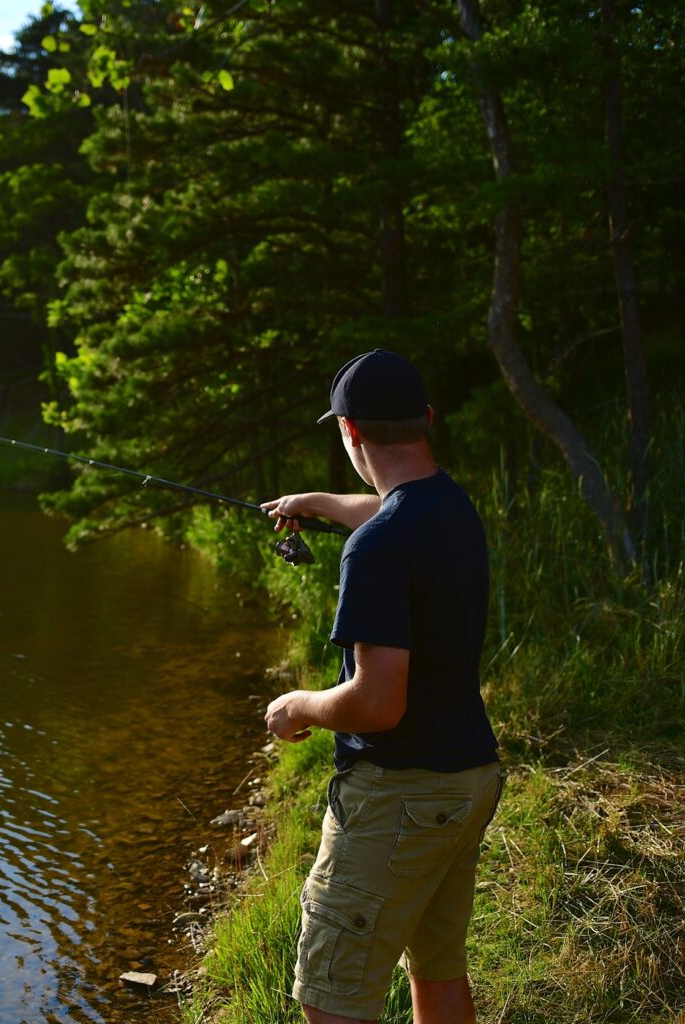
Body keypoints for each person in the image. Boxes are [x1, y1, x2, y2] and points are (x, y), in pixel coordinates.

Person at [259, 350, 502, 1024]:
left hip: (401, 796)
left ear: (350, 433)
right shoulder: (450, 507)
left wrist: (297, 707)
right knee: (439, 972)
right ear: (426, 419)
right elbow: (387, 509)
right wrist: (316, 504)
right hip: (466, 780)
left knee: (330, 999)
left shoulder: (376, 550)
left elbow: (377, 703)